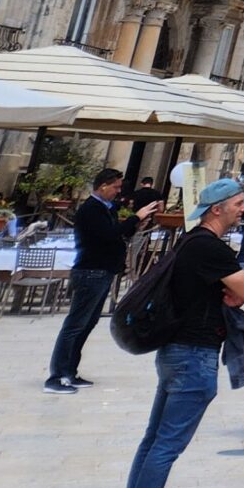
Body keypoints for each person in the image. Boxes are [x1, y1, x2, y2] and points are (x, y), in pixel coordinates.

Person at [110, 177, 244, 488]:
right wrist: (243, 287)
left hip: (176, 352)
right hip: (194, 355)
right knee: (164, 448)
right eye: (239, 203)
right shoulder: (209, 248)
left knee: (153, 443)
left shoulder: (190, 243)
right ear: (217, 208)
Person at [51, 166, 150, 393]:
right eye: (115, 187)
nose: (118, 191)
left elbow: (117, 234)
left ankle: (70, 371)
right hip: (90, 272)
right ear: (103, 186)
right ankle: (56, 376)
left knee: (86, 324)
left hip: (102, 271)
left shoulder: (105, 209)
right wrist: (136, 217)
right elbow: (108, 235)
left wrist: (136, 225)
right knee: (75, 325)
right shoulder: (91, 209)